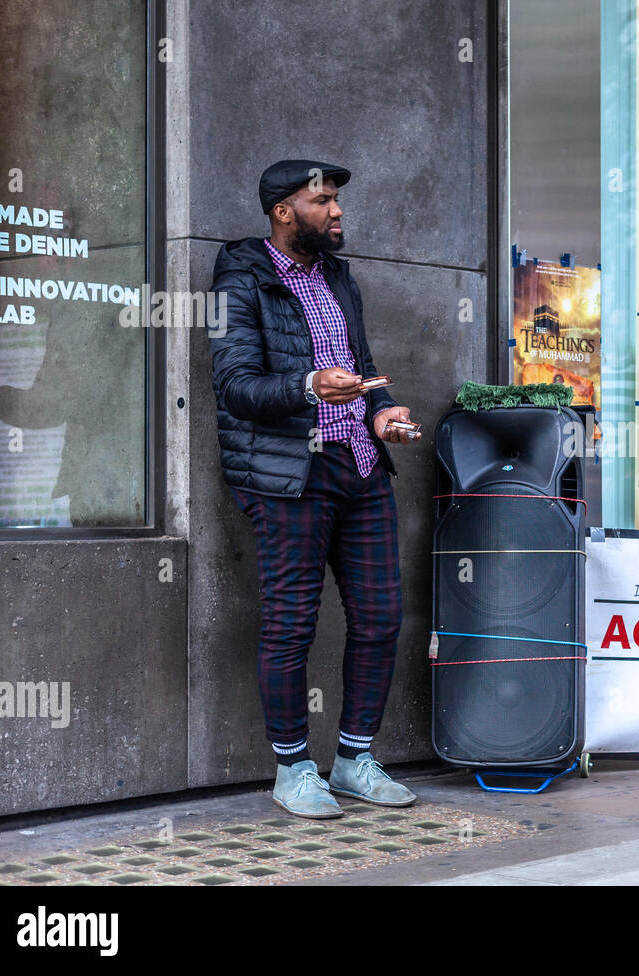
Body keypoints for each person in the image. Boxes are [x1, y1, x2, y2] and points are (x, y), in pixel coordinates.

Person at [209, 159, 420, 819]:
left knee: (383, 618)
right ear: (282, 211)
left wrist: (382, 409)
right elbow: (235, 385)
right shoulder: (241, 280)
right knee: (291, 625)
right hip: (289, 473)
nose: (336, 212)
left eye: (335, 201)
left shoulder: (339, 276)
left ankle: (355, 759)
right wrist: (306, 386)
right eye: (321, 200)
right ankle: (294, 768)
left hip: (358, 462)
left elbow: (362, 364)